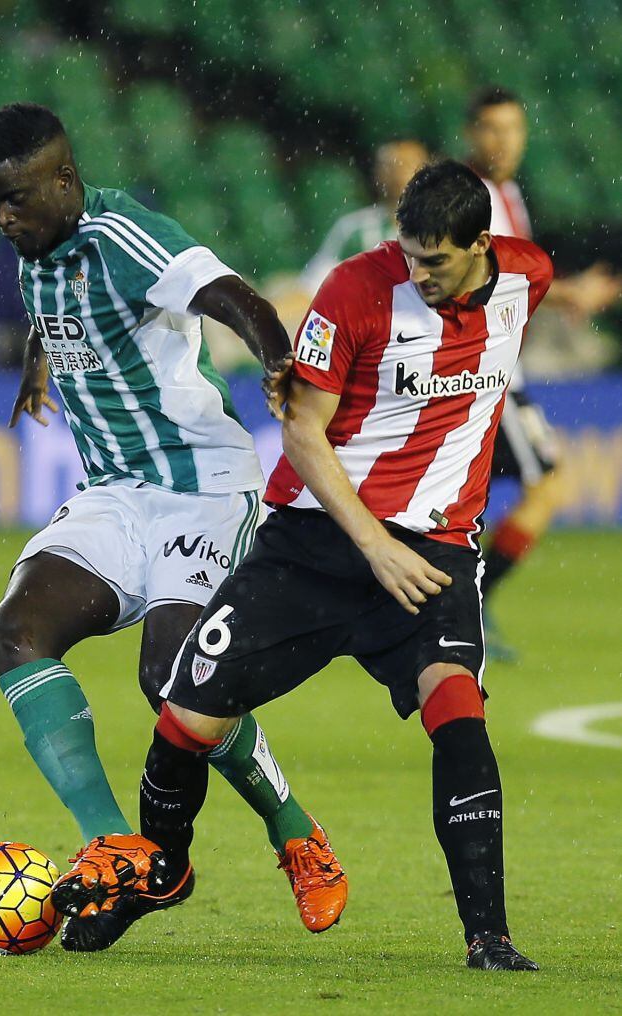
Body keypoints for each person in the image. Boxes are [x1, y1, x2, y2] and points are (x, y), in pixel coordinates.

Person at [79, 160, 551, 971]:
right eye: (409, 253)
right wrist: (374, 545)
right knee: (185, 717)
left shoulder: (528, 278)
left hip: (434, 552)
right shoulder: (357, 291)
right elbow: (303, 431)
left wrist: (405, 545)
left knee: (459, 712)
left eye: (437, 261)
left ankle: (489, 937)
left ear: (483, 244)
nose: (419, 273)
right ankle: (159, 871)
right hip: (313, 544)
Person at [0, 103, 345, 952]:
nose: (5, 218)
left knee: (174, 683)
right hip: (115, 492)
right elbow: (55, 306)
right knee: (14, 635)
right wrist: (37, 366)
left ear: (65, 181)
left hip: (203, 487)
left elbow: (228, 293)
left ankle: (295, 831)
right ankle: (118, 846)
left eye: (20, 199)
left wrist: (280, 359)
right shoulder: (40, 249)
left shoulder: (123, 233)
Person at [465, 85, 621, 658]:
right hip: (485, 367)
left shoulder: (505, 194)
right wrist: (568, 291)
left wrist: (568, 294)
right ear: (471, 134)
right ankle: (469, 604)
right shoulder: (474, 195)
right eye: (491, 129)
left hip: (502, 366)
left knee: (469, 497)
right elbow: (487, 272)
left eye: (513, 129)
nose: (503, 141)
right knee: (547, 485)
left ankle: (454, 604)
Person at [302, 138, 430, 292]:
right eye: (390, 166)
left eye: (407, 164)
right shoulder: (354, 228)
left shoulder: (443, 227)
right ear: (377, 173)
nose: (398, 172)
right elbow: (314, 284)